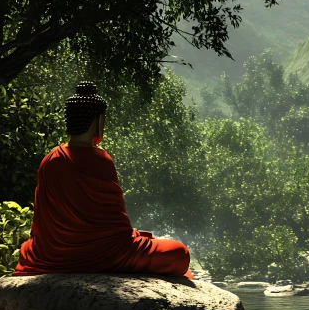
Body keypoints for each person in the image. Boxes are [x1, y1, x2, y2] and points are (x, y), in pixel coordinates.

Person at [13, 81, 194, 279]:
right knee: (179, 252)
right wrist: (131, 237)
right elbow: (116, 229)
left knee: (27, 248)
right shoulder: (101, 159)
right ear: (98, 120)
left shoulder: (51, 159)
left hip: (53, 254)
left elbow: (40, 225)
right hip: (108, 255)